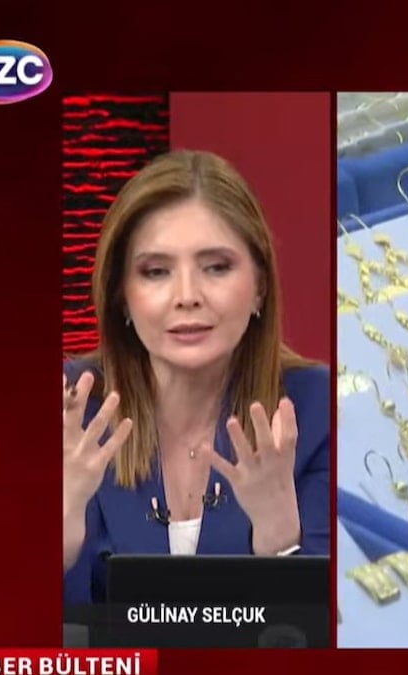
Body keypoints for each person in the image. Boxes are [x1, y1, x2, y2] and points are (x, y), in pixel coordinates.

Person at [62, 150, 330, 606]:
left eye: (216, 267)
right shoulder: (71, 409)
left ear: (260, 286)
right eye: (156, 272)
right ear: (122, 296)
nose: (187, 296)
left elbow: (328, 626)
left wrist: (281, 543)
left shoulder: (314, 409)